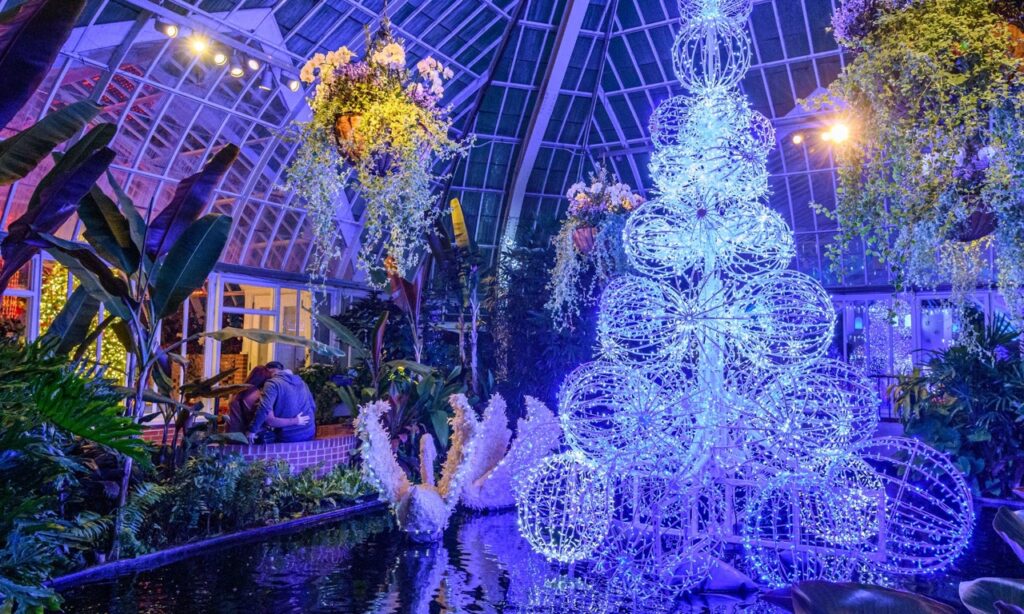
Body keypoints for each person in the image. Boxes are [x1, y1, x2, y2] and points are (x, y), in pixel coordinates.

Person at [227, 365, 309, 440]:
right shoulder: (258, 396)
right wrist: (296, 420)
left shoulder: (238, 393)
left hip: (233, 436)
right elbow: (270, 420)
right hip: (251, 437)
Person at [247, 361, 316, 443]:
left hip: (288, 436)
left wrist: (252, 430)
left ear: (270, 370)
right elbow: (313, 406)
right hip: (309, 432)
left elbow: (264, 408)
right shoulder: (302, 383)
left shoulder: (272, 383)